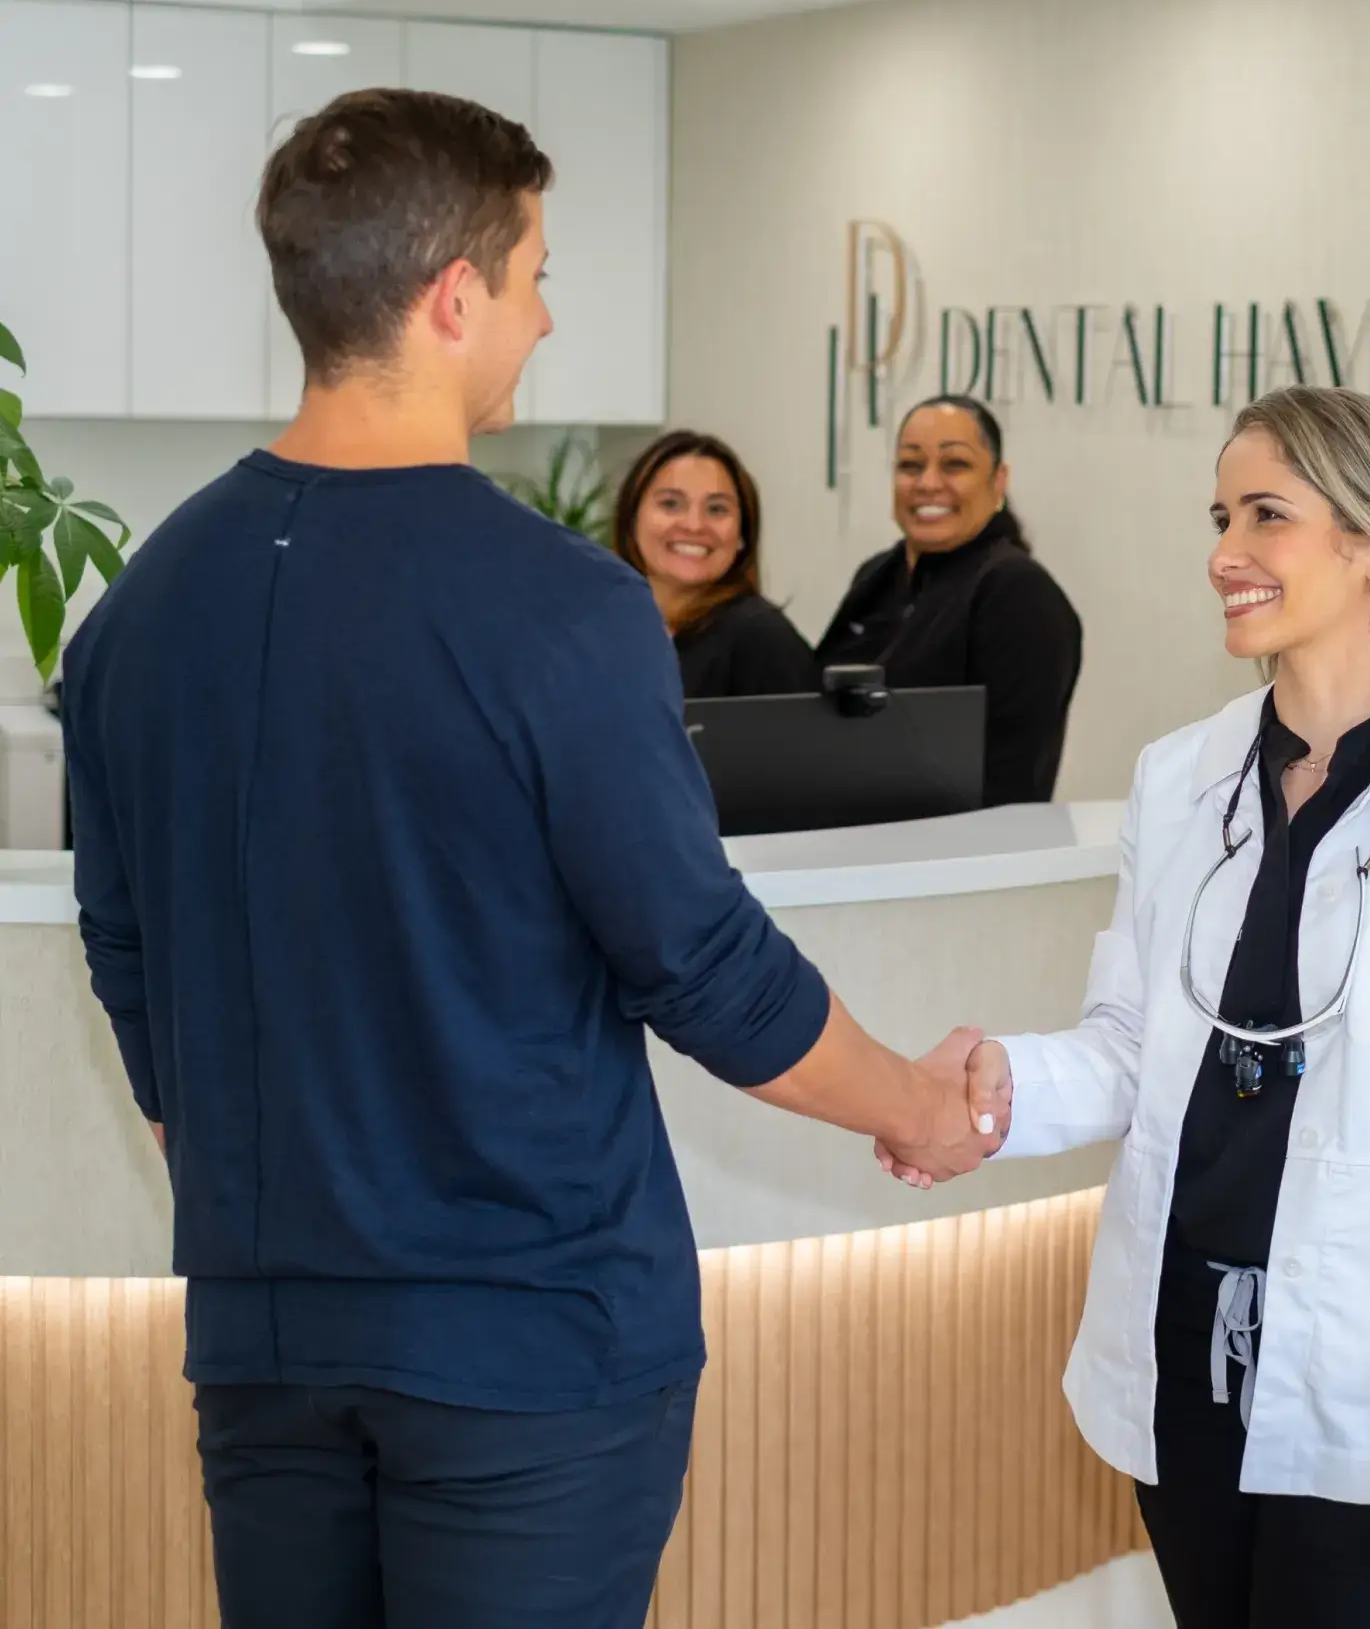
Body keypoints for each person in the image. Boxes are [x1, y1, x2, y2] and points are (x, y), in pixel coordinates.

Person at [60, 89, 992, 1629]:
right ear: (451, 297)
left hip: (263, 1345)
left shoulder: (145, 607)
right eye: (536, 273)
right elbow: (696, 959)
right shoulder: (561, 607)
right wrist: (915, 1104)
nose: (546, 319)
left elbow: (125, 948)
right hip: (531, 1358)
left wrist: (233, 1160)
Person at [887, 387, 1370, 1629]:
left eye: (1265, 515)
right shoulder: (1179, 779)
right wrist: (991, 1085)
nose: (1223, 552)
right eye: (1221, 516)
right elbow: (1128, 1048)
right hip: (1184, 1360)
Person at [816, 395, 1082, 805]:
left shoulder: (1018, 595)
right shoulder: (877, 576)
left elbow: (1011, 780)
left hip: (954, 859)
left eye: (955, 464)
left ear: (998, 481)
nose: (928, 483)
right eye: (910, 465)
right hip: (852, 845)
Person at [613, 429, 816, 699]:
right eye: (671, 504)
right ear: (631, 519)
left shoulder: (760, 637)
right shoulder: (602, 628)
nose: (694, 525)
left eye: (717, 509)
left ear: (742, 534)